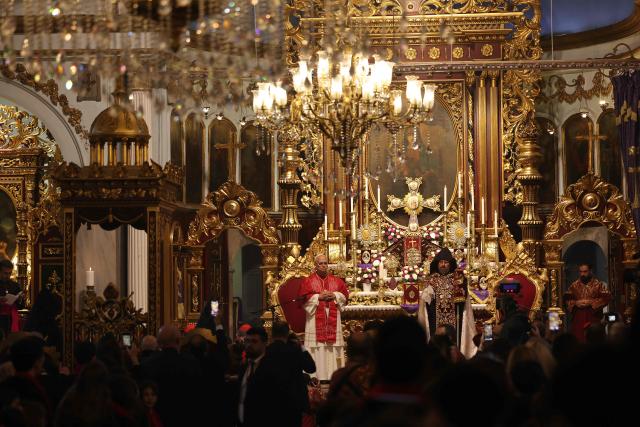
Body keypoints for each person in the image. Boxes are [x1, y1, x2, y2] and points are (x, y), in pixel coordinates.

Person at [299, 254, 349, 381]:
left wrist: (335, 295)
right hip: (315, 317)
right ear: (315, 265)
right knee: (317, 346)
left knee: (333, 346)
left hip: (333, 318)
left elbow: (345, 296)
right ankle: (315, 375)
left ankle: (333, 374)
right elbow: (302, 299)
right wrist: (318, 297)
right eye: (320, 263)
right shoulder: (308, 281)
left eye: (325, 263)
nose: (323, 265)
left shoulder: (337, 281)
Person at [418, 248, 476, 357]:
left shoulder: (457, 279)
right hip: (435, 320)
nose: (443, 265)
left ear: (450, 265)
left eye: (446, 262)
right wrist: (427, 295)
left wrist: (460, 287)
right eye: (441, 262)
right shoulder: (431, 280)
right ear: (437, 264)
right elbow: (425, 304)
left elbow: (463, 300)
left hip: (455, 319)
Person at [565, 263, 610, 342]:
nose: (582, 274)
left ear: (590, 271)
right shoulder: (574, 286)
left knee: (594, 339)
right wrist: (576, 303)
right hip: (579, 318)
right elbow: (567, 300)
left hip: (593, 316)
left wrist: (591, 302)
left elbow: (607, 298)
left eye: (585, 271)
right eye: (580, 272)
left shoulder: (598, 285)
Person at [0, 259, 22, 335]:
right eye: (5, 273)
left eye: (9, 273)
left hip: (11, 318)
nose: (8, 276)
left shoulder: (15, 285)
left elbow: (20, 305)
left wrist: (20, 299)